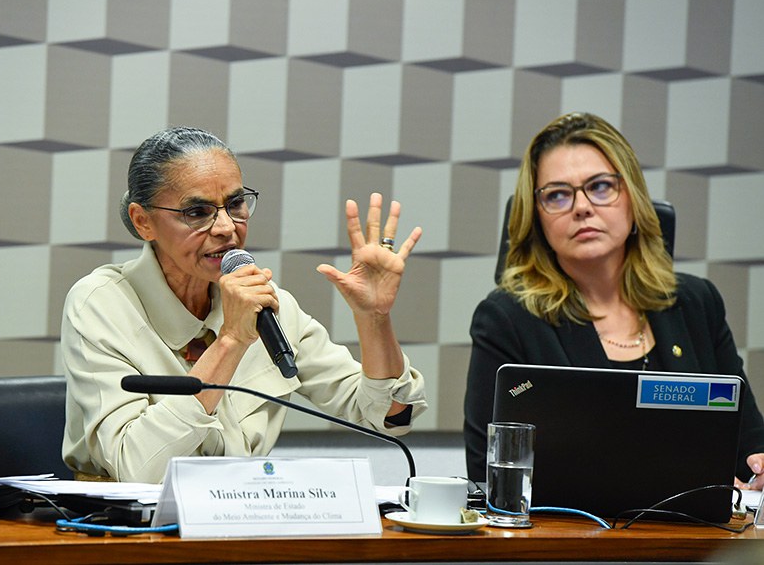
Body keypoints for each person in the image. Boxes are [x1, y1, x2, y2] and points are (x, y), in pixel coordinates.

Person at [61, 126, 427, 483]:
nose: (225, 227)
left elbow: (389, 415)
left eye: (235, 204)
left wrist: (374, 317)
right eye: (197, 212)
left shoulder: (270, 304)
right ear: (143, 222)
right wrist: (231, 340)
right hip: (125, 531)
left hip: (241, 512)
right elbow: (139, 470)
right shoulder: (100, 303)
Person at [463, 112, 764, 490]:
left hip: (699, 539)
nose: (582, 207)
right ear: (536, 219)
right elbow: (488, 472)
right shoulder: (507, 319)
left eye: (601, 186)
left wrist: (758, 466)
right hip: (568, 541)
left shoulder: (696, 303)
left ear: (633, 199)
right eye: (557, 194)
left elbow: (748, 443)